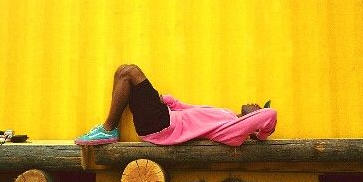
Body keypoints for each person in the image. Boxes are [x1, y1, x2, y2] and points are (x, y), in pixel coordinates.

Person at [75, 64, 277, 147]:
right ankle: (108, 129)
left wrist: (261, 134)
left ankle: (108, 130)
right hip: (163, 117)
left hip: (163, 126)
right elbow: (191, 111)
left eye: (258, 106)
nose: (254, 103)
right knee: (122, 72)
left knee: (131, 72)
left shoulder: (234, 132)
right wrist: (170, 101)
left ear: (255, 122)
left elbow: (271, 113)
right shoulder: (227, 115)